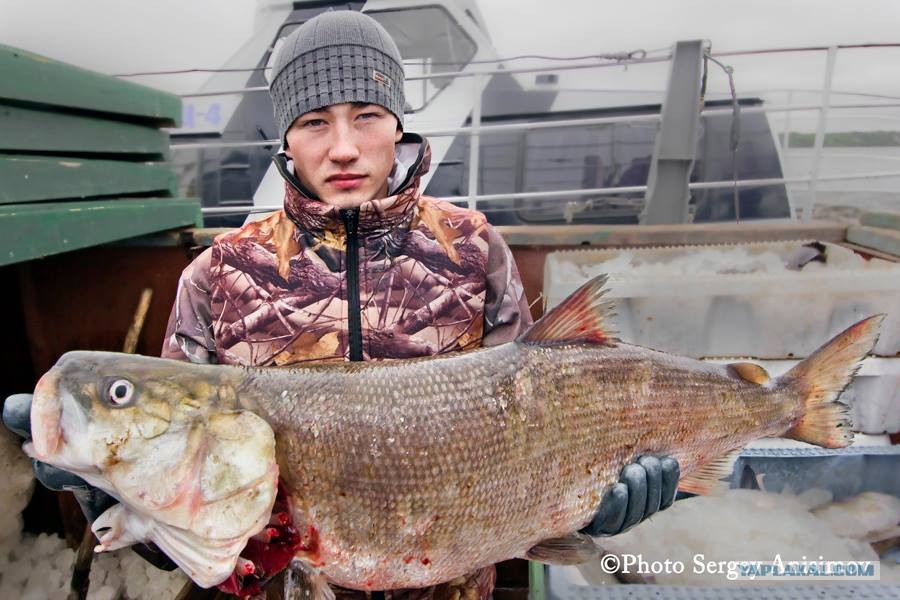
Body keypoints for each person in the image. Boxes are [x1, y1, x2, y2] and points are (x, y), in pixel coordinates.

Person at [4, 9, 678, 599]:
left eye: (367, 116)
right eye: (314, 122)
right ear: (286, 139)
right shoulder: (217, 276)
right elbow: (198, 516)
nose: (345, 147)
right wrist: (123, 493)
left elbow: (534, 417)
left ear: (398, 123)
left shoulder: (475, 249)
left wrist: (589, 503)